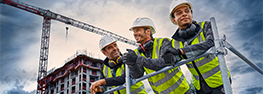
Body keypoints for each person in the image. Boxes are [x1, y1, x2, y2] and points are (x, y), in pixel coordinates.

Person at [163, 0, 231, 94]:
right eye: (179, 13)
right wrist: (169, 56)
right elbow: (176, 57)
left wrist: (181, 51)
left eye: (187, 11)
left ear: (192, 14)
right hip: (199, 87)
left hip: (219, 81)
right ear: (174, 19)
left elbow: (210, 43)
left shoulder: (206, 26)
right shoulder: (174, 42)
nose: (184, 14)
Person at [123, 17, 191, 94]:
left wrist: (137, 59)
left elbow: (162, 63)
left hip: (181, 91)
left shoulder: (163, 42)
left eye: (138, 30)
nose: (134, 34)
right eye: (134, 31)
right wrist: (131, 64)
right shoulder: (137, 52)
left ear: (148, 31)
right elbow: (137, 75)